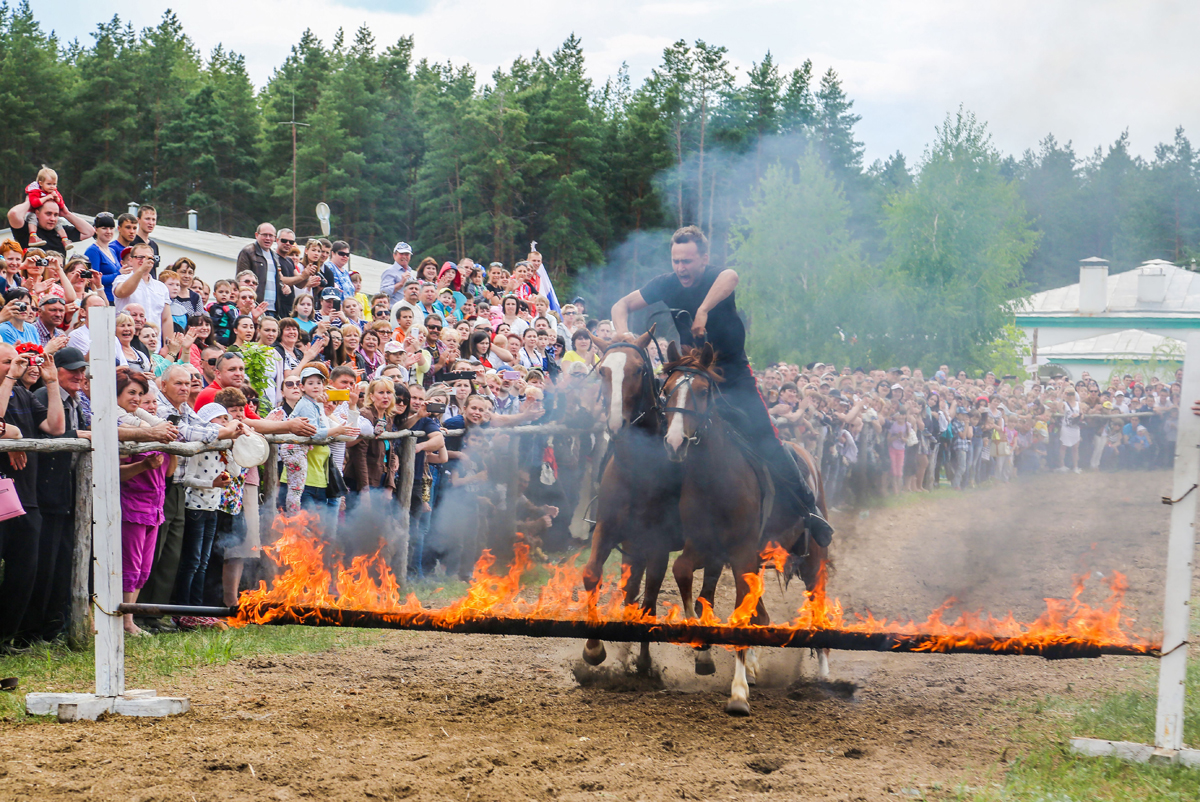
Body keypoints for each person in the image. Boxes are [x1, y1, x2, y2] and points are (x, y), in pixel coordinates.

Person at [610, 225, 833, 545]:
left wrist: (703, 309)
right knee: (659, 429)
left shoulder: (718, 277)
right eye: (675, 261)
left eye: (687, 261)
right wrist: (623, 334)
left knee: (766, 439)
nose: (680, 268)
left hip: (732, 375)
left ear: (703, 259)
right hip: (692, 374)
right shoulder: (666, 284)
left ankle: (808, 510)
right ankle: (652, 515)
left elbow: (732, 275)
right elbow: (621, 306)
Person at [7, 196, 93, 257]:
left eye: (56, 215)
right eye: (48, 214)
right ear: (37, 213)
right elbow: (13, 214)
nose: (52, 219)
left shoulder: (61, 231)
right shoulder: (27, 229)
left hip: (57, 281)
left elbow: (89, 232)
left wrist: (67, 214)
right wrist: (30, 201)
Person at [379, 242, 415, 306]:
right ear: (394, 255)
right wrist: (401, 283)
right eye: (401, 254)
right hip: (393, 310)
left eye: (407, 254)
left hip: (407, 310)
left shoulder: (410, 272)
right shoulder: (390, 271)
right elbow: (383, 293)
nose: (404, 256)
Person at [131, 205, 160, 278]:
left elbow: (154, 270)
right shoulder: (131, 242)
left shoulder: (154, 245)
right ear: (138, 220)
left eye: (153, 220)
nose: (151, 223)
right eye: (147, 219)